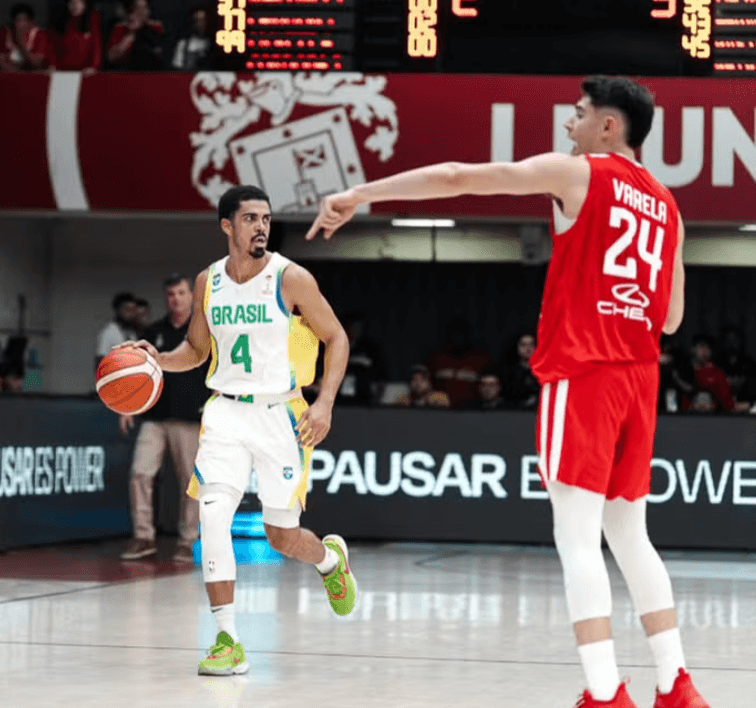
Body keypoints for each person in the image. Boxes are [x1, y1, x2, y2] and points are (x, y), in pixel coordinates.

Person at [307, 76, 705, 708]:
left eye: (577, 116)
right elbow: (673, 319)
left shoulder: (580, 173)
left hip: (586, 370)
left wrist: (361, 193)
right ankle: (676, 684)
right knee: (631, 535)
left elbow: (458, 176)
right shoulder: (668, 204)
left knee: (576, 538)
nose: (567, 126)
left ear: (609, 126)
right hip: (639, 375)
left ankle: (604, 695)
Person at [126, 185, 357, 676]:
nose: (261, 227)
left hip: (281, 415)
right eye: (250, 218)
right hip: (226, 412)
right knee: (212, 519)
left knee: (281, 536)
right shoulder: (208, 281)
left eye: (266, 219)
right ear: (227, 226)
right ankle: (227, 639)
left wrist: (326, 403)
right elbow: (197, 350)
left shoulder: (290, 278)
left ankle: (330, 561)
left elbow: (336, 337)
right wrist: (156, 361)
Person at [118, 274, 208, 564]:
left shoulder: (203, 331)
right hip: (154, 417)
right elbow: (136, 373)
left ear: (191, 296)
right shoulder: (152, 331)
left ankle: (187, 540)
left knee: (190, 483)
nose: (176, 299)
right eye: (171, 294)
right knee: (140, 473)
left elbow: (219, 371)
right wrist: (127, 406)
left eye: (181, 293)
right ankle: (144, 537)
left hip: (191, 419)